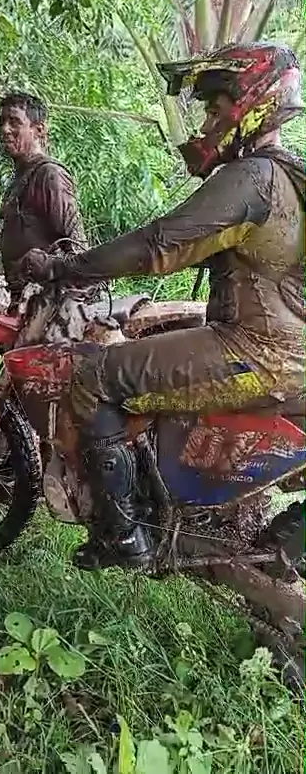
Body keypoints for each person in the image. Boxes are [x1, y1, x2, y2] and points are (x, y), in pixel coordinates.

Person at [19, 42, 305, 571]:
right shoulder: (292, 176)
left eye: (214, 108)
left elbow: (157, 246)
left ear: (251, 104)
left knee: (95, 375)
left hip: (255, 351)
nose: (206, 123)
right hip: (290, 351)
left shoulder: (253, 178)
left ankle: (124, 536)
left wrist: (65, 267)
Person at [0, 91, 86, 311]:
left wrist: (73, 298)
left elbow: (76, 243)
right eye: (2, 121)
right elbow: (19, 236)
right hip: (19, 298)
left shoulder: (49, 175)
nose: (5, 129)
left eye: (14, 122)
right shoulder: (22, 174)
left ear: (38, 130)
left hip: (43, 301)